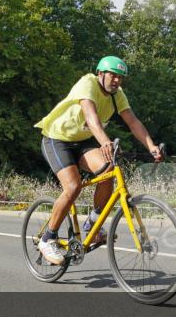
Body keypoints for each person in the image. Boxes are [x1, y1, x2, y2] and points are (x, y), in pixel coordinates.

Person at [34, 56, 162, 265]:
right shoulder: (88, 83)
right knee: (73, 186)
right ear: (100, 74)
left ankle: (91, 226)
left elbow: (132, 121)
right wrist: (105, 141)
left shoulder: (117, 95)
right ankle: (48, 238)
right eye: (113, 75)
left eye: (120, 77)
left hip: (81, 142)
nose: (117, 81)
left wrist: (151, 146)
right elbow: (91, 116)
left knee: (108, 170)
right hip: (57, 140)